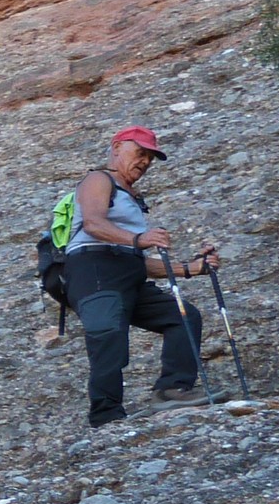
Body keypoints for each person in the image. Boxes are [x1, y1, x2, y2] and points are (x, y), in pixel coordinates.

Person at [64, 126, 217, 427]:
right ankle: (106, 416)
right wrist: (138, 239)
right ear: (117, 148)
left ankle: (172, 389)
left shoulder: (132, 196)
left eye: (149, 157)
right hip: (94, 269)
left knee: (183, 316)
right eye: (140, 152)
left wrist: (191, 268)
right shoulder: (99, 179)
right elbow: (93, 224)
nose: (145, 161)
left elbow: (133, 258)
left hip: (126, 274)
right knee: (108, 334)